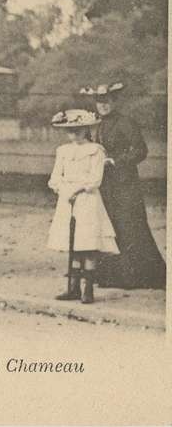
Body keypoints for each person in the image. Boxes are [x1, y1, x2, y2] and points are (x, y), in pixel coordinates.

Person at [83, 82, 166, 290]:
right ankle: (111, 275)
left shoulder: (125, 122)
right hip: (106, 185)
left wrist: (116, 161)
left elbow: (140, 150)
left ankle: (139, 276)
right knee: (109, 226)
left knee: (129, 226)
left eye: (107, 101)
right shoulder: (98, 124)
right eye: (99, 101)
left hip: (125, 184)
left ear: (115, 101)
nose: (103, 105)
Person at [46, 109, 119, 304]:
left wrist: (76, 189)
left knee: (88, 244)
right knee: (74, 244)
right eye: (70, 131)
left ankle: (88, 289)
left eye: (78, 130)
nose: (74, 134)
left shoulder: (96, 150)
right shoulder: (63, 151)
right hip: (67, 200)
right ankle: (73, 287)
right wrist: (64, 190)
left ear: (86, 129)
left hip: (87, 200)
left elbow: (95, 180)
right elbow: (54, 178)